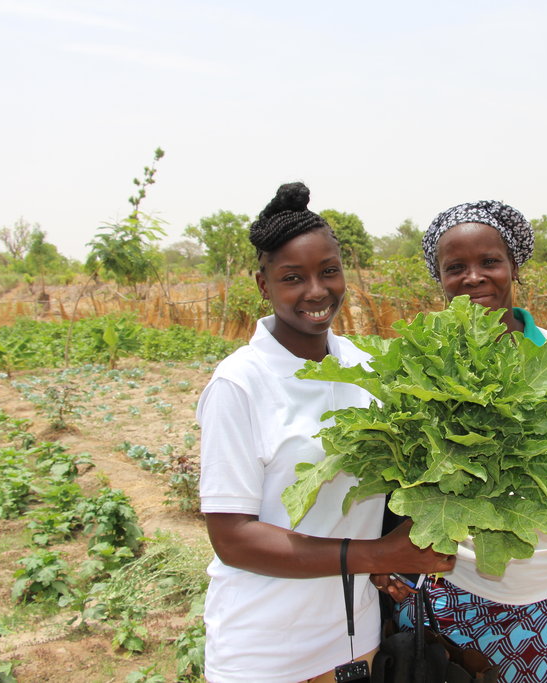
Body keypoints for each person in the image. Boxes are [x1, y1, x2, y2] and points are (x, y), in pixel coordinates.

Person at [197, 182, 455, 683]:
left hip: (355, 641)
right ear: (262, 284)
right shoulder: (239, 384)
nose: (317, 291)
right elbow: (233, 539)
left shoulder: (366, 368)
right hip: (263, 650)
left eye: (329, 272)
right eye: (293, 277)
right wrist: (378, 554)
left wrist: (393, 554)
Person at [388, 200, 547, 683]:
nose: (474, 277)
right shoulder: (422, 362)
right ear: (439, 279)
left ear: (514, 267)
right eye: (455, 267)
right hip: (457, 601)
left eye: (489, 262)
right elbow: (394, 487)